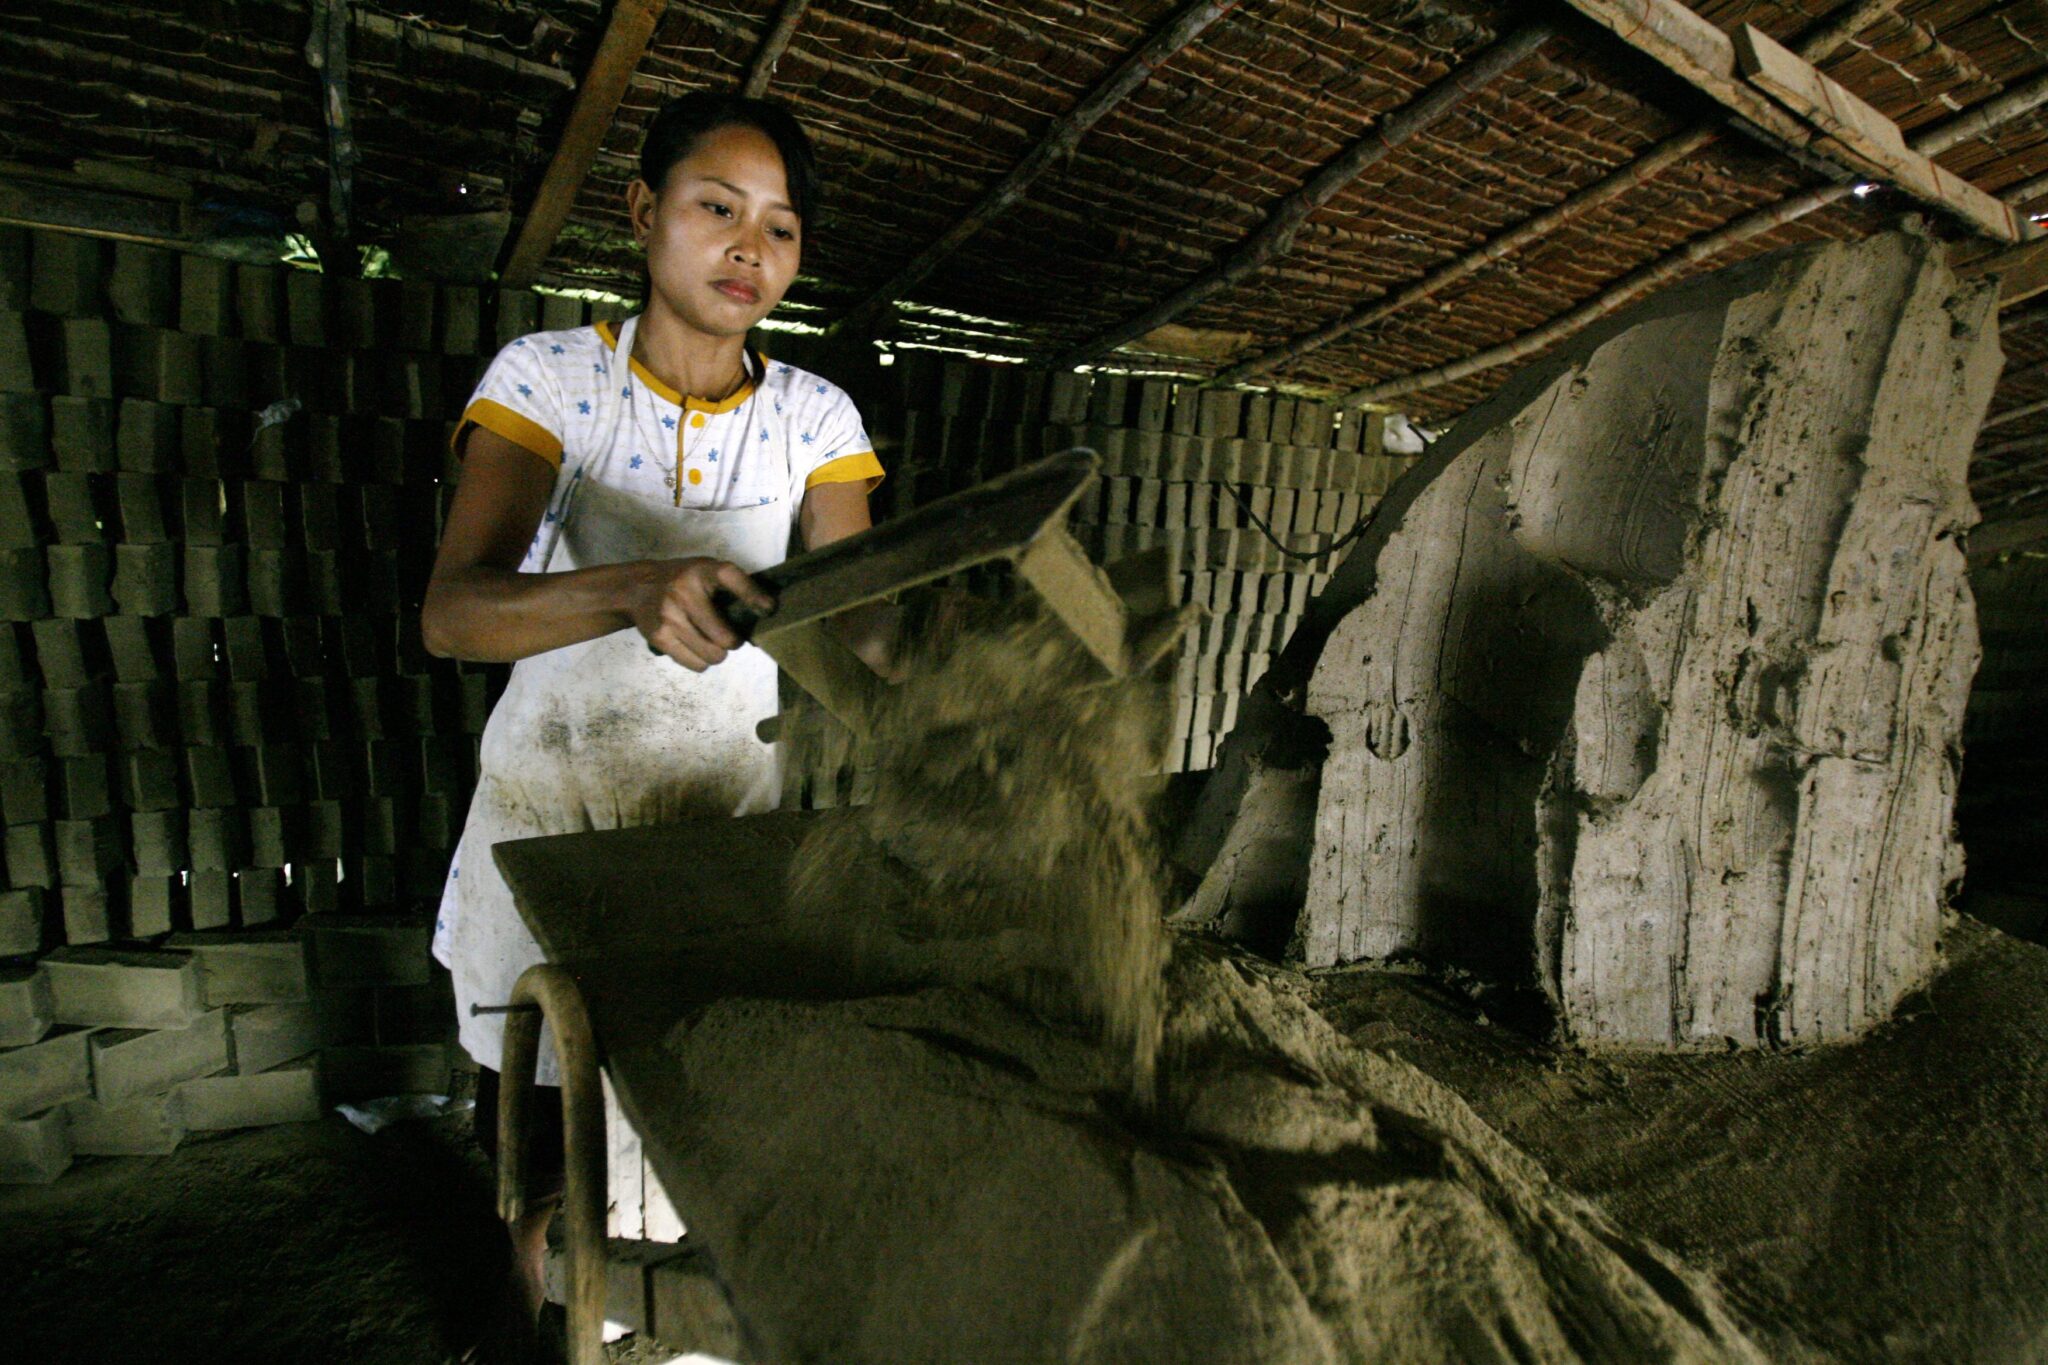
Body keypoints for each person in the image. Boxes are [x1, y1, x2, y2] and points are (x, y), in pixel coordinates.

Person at [419, 91, 888, 1346]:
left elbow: (862, 626)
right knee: (539, 1146)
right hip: (551, 819)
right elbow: (454, 615)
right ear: (643, 215)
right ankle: (536, 1329)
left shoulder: (814, 422)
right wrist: (633, 588)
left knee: (700, 1120)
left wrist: (963, 653)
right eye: (716, 209)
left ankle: (663, 1329)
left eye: (780, 229)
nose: (749, 247)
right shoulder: (552, 381)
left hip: (713, 833)